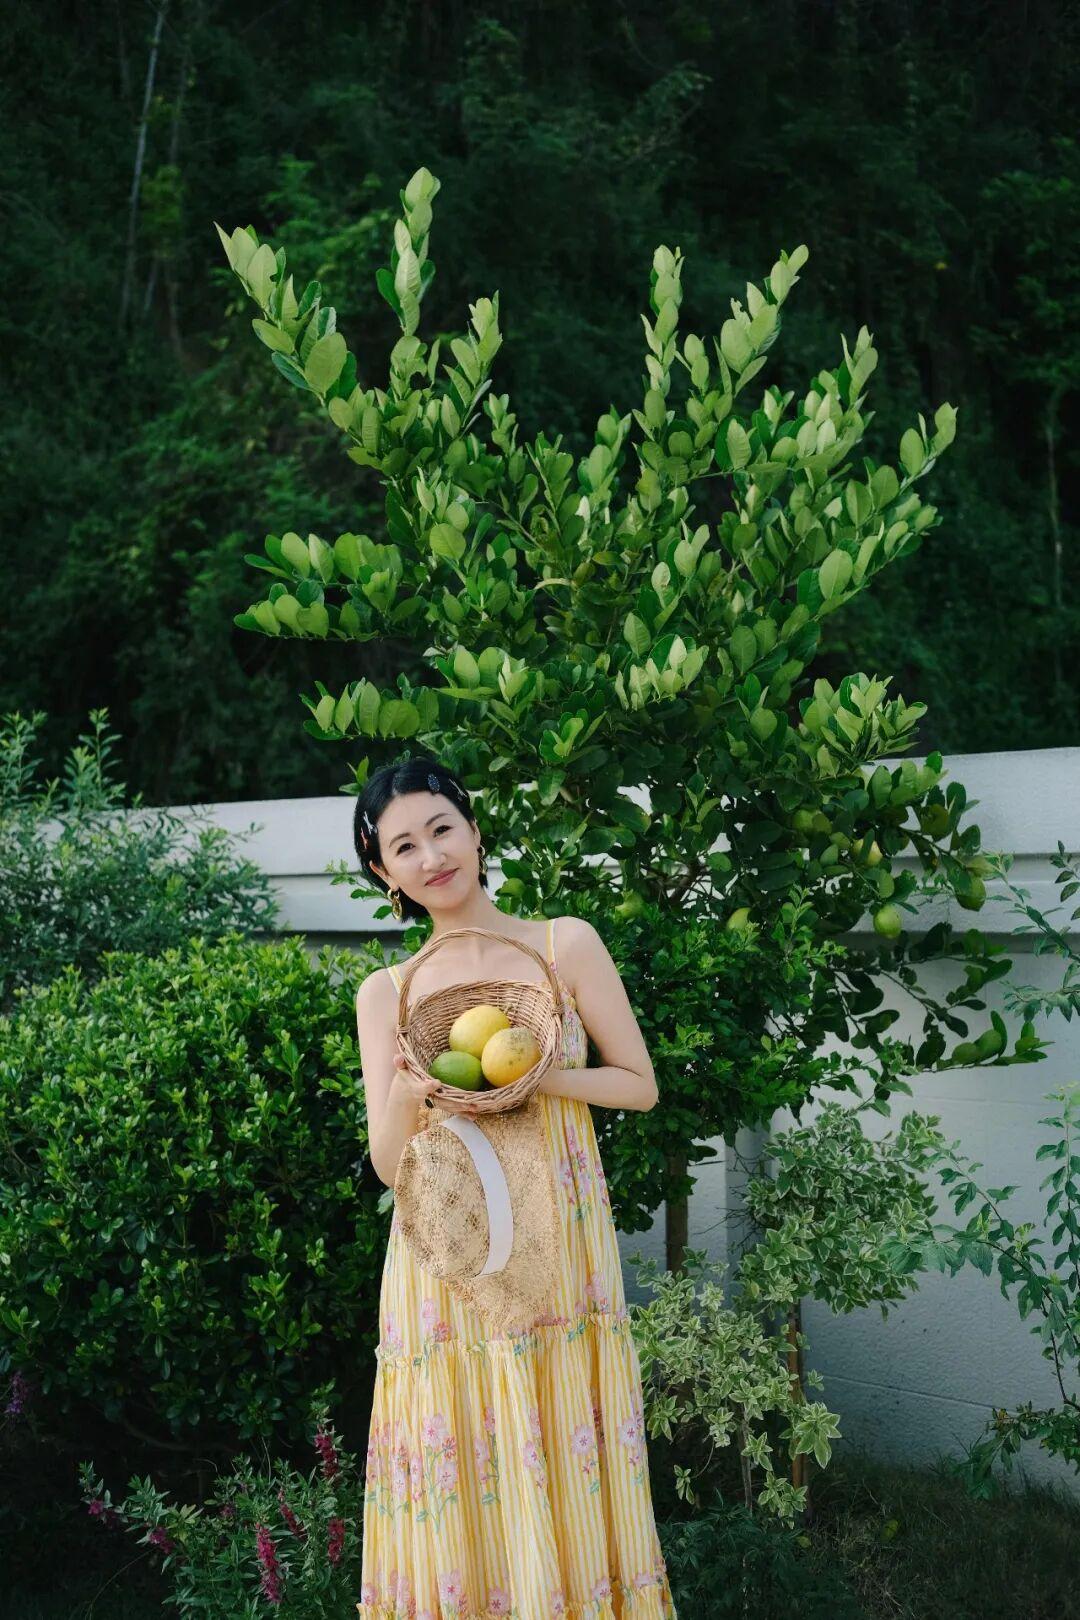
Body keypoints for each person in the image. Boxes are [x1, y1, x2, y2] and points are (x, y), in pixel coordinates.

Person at [352, 754, 677, 1619]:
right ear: (384, 873)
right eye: (405, 847)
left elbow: (639, 1084)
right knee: (462, 1438)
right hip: (446, 1257)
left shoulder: (563, 943)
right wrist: (408, 1092)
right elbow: (387, 1162)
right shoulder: (387, 993)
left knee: (557, 1420)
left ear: (475, 830)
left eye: (442, 829)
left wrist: (536, 1081)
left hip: (559, 1238)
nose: (431, 856)